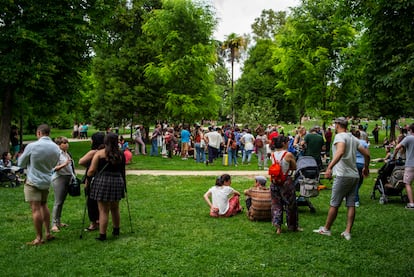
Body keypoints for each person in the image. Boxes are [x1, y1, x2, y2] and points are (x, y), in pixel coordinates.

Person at [313, 117, 370, 240]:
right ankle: (347, 231)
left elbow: (340, 151)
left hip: (342, 175)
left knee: (334, 203)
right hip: (354, 175)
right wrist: (366, 167)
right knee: (351, 203)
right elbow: (367, 154)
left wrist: (329, 167)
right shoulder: (353, 138)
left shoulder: (340, 136)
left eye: (335, 124)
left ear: (338, 124)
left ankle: (326, 229)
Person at [18, 124, 60, 245]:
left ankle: (39, 237)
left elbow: (21, 163)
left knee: (35, 209)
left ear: (39, 133)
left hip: (33, 180)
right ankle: (47, 232)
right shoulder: (56, 148)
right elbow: (55, 163)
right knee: (44, 205)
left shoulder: (32, 146)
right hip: (46, 180)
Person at [87, 132, 126, 241]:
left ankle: (102, 235)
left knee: (103, 210)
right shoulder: (121, 154)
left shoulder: (99, 154)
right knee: (115, 208)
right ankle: (116, 229)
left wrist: (88, 177)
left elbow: (91, 171)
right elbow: (122, 170)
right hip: (117, 180)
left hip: (103, 181)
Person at [270, 135, 299, 234]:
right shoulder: (288, 154)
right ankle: (292, 226)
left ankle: (278, 227)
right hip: (286, 181)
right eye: (287, 142)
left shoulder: (272, 155)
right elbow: (294, 167)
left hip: (274, 181)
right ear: (283, 143)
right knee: (290, 204)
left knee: (276, 204)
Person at [79, 132, 105, 232]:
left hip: (92, 177)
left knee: (91, 200)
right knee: (99, 200)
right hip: (101, 176)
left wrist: (89, 166)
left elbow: (81, 161)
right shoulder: (106, 151)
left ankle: (93, 223)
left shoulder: (94, 152)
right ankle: (99, 219)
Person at [50, 137, 73, 232]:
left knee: (61, 202)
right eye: (64, 142)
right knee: (58, 202)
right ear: (59, 145)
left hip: (67, 178)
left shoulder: (67, 153)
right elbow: (53, 168)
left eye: (67, 142)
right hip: (59, 178)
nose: (67, 144)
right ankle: (54, 224)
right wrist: (65, 164)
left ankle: (58, 221)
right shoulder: (56, 154)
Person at [393, 123, 414, 209]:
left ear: (411, 130)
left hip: (410, 164)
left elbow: (397, 147)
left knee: (407, 183)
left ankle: (412, 204)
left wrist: (393, 156)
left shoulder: (409, 138)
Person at [353, 131, 369, 208]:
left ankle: (354, 196)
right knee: (359, 181)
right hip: (362, 163)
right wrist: (367, 166)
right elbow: (367, 154)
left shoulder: (352, 142)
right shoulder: (363, 142)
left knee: (356, 182)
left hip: (354, 163)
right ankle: (355, 199)